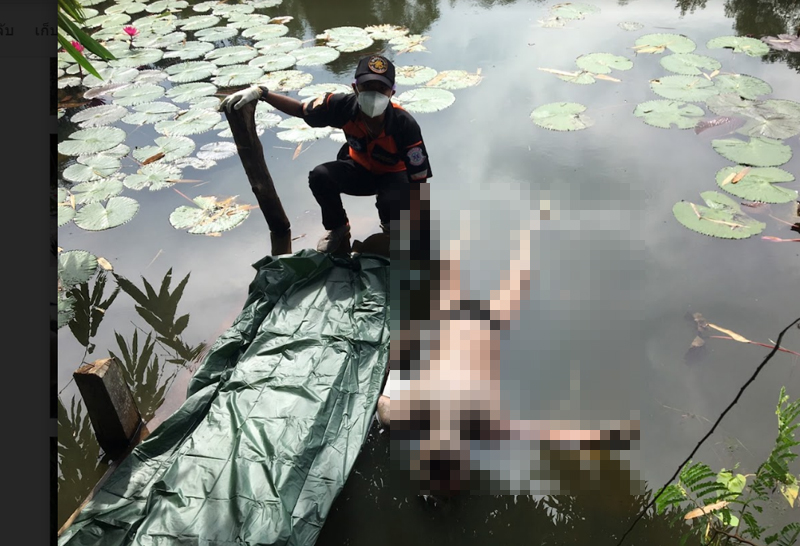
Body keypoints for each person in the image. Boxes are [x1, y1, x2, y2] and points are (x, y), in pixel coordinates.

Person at [378, 210, 640, 494]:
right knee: (503, 273)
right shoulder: (448, 421)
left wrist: (601, 437)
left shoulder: (427, 417)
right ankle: (521, 227)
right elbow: (545, 434)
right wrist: (599, 437)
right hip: (478, 324)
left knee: (478, 271)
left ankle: (498, 226)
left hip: (458, 321)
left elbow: (544, 434)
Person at [220, 54, 432, 253]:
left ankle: (391, 229)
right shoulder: (342, 107)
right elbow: (301, 110)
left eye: (381, 89)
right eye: (367, 87)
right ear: (355, 88)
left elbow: (418, 178)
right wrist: (262, 93)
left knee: (394, 202)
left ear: (391, 93)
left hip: (392, 176)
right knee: (320, 176)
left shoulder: (405, 124)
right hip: (358, 170)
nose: (374, 94)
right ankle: (338, 228)